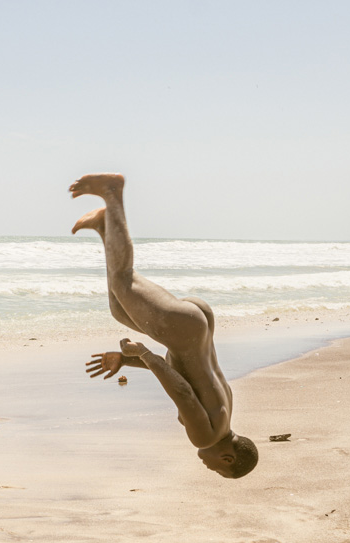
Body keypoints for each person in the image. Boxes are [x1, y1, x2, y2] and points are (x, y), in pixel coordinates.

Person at [70, 173, 257, 478]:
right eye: (216, 471)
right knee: (124, 279)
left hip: (196, 326)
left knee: (119, 308)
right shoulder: (206, 437)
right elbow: (181, 390)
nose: (206, 467)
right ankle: (112, 192)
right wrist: (142, 352)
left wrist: (127, 361)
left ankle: (106, 226)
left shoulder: (225, 416)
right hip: (184, 332)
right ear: (228, 459)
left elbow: (182, 370)